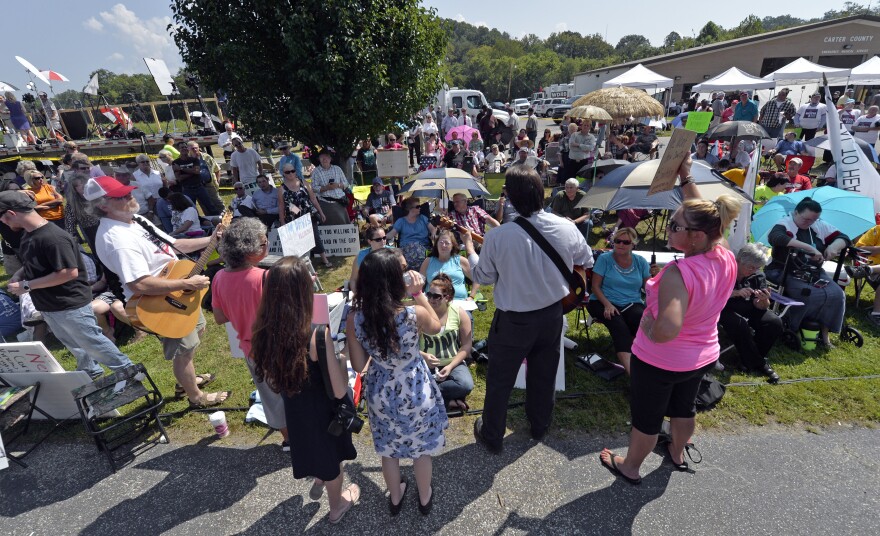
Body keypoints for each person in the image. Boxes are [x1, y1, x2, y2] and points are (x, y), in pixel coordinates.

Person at [599, 160, 742, 484]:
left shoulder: (679, 273)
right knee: (683, 408)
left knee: (646, 420)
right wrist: (685, 175)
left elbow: (666, 330)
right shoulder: (724, 253)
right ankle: (677, 454)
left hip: (661, 360)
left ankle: (630, 467)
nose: (668, 229)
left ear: (695, 237)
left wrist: (647, 321)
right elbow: (703, 214)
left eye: (675, 226)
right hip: (701, 355)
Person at [463, 166, 592, 453]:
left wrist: (471, 250)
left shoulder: (500, 236)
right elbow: (587, 258)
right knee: (544, 375)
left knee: (500, 379)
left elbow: (483, 277)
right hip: (551, 315)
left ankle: (493, 435)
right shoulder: (566, 226)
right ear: (541, 193)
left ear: (509, 196)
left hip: (514, 321)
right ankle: (539, 426)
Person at [87, 175, 231, 408]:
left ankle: (186, 381)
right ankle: (196, 397)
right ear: (103, 205)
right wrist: (186, 284)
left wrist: (212, 238)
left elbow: (174, 245)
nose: (130, 195)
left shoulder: (136, 221)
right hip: (158, 304)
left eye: (128, 191)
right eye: (120, 196)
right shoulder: (116, 238)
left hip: (175, 290)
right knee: (183, 350)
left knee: (197, 330)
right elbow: (140, 284)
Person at [253, 256, 359, 523]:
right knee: (333, 458)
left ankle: (319, 475)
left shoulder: (264, 329)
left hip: (295, 407)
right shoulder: (315, 333)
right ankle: (337, 506)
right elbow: (337, 389)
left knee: (313, 449)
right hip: (323, 409)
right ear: (302, 290)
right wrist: (343, 359)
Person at [346, 249, 444, 516]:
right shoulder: (413, 314)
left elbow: (357, 365)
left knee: (389, 450)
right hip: (415, 386)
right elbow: (437, 326)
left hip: (381, 389)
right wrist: (417, 293)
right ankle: (425, 498)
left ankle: (396, 497)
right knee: (421, 449)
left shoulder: (356, 318)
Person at [0, 190, 133, 379]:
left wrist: (27, 286)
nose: (2, 223)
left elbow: (68, 273)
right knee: (74, 343)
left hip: (69, 304)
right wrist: (20, 274)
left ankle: (130, 372)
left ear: (11, 213)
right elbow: (36, 262)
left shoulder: (52, 237)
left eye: (2, 218)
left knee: (93, 343)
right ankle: (91, 371)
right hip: (50, 305)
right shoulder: (28, 235)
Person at [212, 219, 290, 450]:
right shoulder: (266, 277)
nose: (267, 245)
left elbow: (219, 317)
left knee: (270, 398)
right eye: (264, 242)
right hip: (280, 347)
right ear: (253, 250)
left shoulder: (218, 278)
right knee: (293, 392)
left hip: (251, 349)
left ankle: (288, 440)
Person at [765, 197, 849, 348]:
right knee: (808, 293)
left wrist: (833, 247)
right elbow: (776, 237)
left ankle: (824, 335)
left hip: (812, 270)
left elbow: (844, 237)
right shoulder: (785, 223)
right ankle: (794, 328)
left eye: (813, 220)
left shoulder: (818, 225)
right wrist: (810, 248)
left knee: (837, 294)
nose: (809, 223)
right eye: (806, 219)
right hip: (785, 270)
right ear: (796, 212)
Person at [586, 228, 657, 373]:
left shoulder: (640, 261)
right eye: (617, 241)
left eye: (626, 242)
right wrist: (607, 305)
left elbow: (650, 288)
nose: (621, 244)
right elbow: (595, 287)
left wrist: (657, 277)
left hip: (631, 302)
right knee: (618, 324)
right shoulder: (605, 259)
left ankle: (652, 364)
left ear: (633, 244)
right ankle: (634, 376)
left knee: (645, 323)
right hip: (602, 301)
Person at [719, 243, 782, 382]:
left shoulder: (758, 275)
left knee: (774, 322)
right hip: (723, 307)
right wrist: (735, 293)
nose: (753, 271)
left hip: (749, 307)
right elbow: (711, 293)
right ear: (739, 260)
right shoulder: (724, 270)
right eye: (750, 267)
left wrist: (763, 300)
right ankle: (760, 364)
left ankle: (748, 360)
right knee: (739, 325)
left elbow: (762, 307)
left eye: (757, 268)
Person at [419, 273, 474, 411]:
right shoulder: (420, 313)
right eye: (428, 294)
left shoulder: (460, 313)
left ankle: (430, 395)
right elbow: (409, 345)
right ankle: (447, 400)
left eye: (436, 296)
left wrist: (450, 366)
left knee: (466, 384)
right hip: (425, 363)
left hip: (453, 363)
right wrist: (424, 356)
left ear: (448, 298)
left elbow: (466, 346)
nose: (431, 299)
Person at [278, 162, 330, 267]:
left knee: (315, 237)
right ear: (283, 174)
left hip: (309, 214)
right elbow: (281, 206)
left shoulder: (304, 183)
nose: (291, 174)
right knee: (297, 241)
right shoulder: (281, 189)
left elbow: (313, 199)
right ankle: (300, 264)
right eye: (288, 172)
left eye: (292, 171)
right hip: (293, 217)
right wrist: (282, 221)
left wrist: (321, 212)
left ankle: (324, 259)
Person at [419, 229, 479, 301]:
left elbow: (477, 278)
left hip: (459, 301)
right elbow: (419, 283)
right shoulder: (428, 261)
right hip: (433, 301)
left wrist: (471, 296)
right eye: (441, 242)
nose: (443, 245)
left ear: (452, 245)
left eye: (447, 243)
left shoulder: (461, 261)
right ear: (436, 244)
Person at [386, 197, 436, 271]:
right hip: (407, 247)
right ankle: (423, 271)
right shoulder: (401, 221)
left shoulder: (422, 218)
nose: (420, 208)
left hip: (424, 247)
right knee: (414, 248)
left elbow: (432, 229)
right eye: (417, 206)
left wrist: (433, 234)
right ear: (409, 208)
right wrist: (380, 237)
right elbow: (391, 234)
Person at [848, 224, 880, 326]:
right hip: (876, 269)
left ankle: (868, 270)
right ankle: (876, 314)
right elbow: (859, 249)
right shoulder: (877, 230)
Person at [311, 148, 351, 225]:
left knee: (344, 228)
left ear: (330, 158)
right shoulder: (315, 172)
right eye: (322, 157)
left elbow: (346, 183)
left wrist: (338, 185)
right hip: (326, 204)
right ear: (319, 159)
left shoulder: (337, 169)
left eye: (326, 156)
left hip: (340, 203)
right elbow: (314, 188)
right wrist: (326, 188)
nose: (324, 159)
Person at [349, 226, 391, 293]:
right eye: (378, 239)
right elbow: (353, 279)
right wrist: (356, 295)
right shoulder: (361, 256)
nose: (383, 241)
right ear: (369, 241)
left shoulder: (393, 253)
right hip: (368, 291)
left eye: (384, 238)